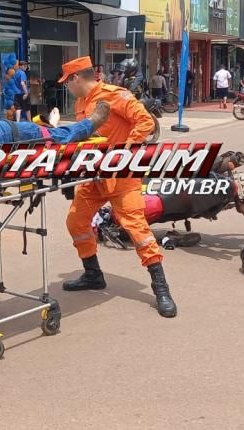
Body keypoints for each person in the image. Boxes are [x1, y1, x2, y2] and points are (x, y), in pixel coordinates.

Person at [58, 56, 177, 318]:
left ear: (76, 78)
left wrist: (123, 153)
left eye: (67, 82)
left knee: (137, 230)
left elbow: (145, 122)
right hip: (94, 176)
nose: (66, 87)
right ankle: (93, 274)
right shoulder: (80, 103)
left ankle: (161, 288)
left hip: (122, 176)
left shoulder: (115, 95)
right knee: (76, 222)